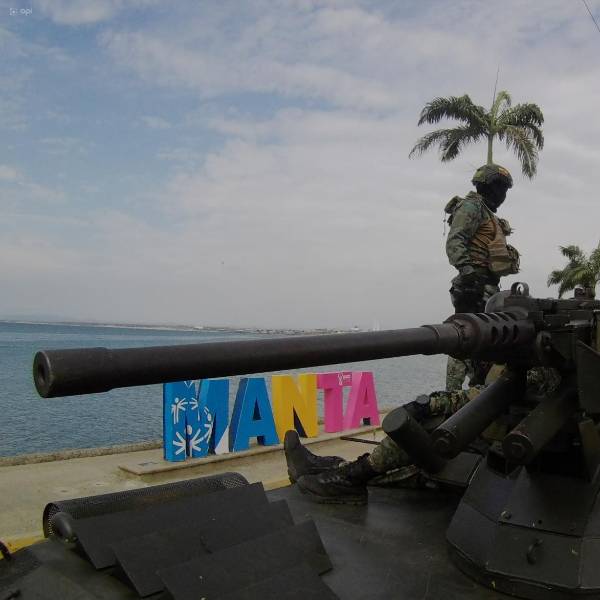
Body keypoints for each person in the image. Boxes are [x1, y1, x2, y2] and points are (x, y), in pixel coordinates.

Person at [285, 367, 561, 505]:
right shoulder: (516, 363)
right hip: (482, 450)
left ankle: (347, 477)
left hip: (496, 463)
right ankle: (328, 470)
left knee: (423, 440)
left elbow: (484, 397)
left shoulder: (540, 370)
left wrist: (429, 404)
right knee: (408, 467)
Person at [444, 164, 519, 391]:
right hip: (474, 284)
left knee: (485, 340)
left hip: (486, 285)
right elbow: (456, 240)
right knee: (465, 337)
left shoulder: (486, 212)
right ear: (490, 186)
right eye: (501, 188)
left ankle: (478, 388)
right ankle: (453, 393)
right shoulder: (472, 206)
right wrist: (468, 272)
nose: (503, 195)